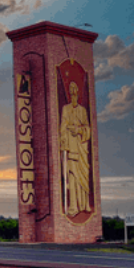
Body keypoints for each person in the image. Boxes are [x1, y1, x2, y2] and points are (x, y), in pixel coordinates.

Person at [60, 81, 91, 217]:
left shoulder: (82, 110)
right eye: (70, 89)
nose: (72, 91)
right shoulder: (65, 109)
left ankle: (84, 204)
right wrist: (64, 141)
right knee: (71, 176)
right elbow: (62, 126)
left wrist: (78, 130)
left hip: (81, 146)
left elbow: (88, 129)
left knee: (82, 176)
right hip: (70, 146)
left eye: (74, 88)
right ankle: (73, 206)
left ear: (77, 92)